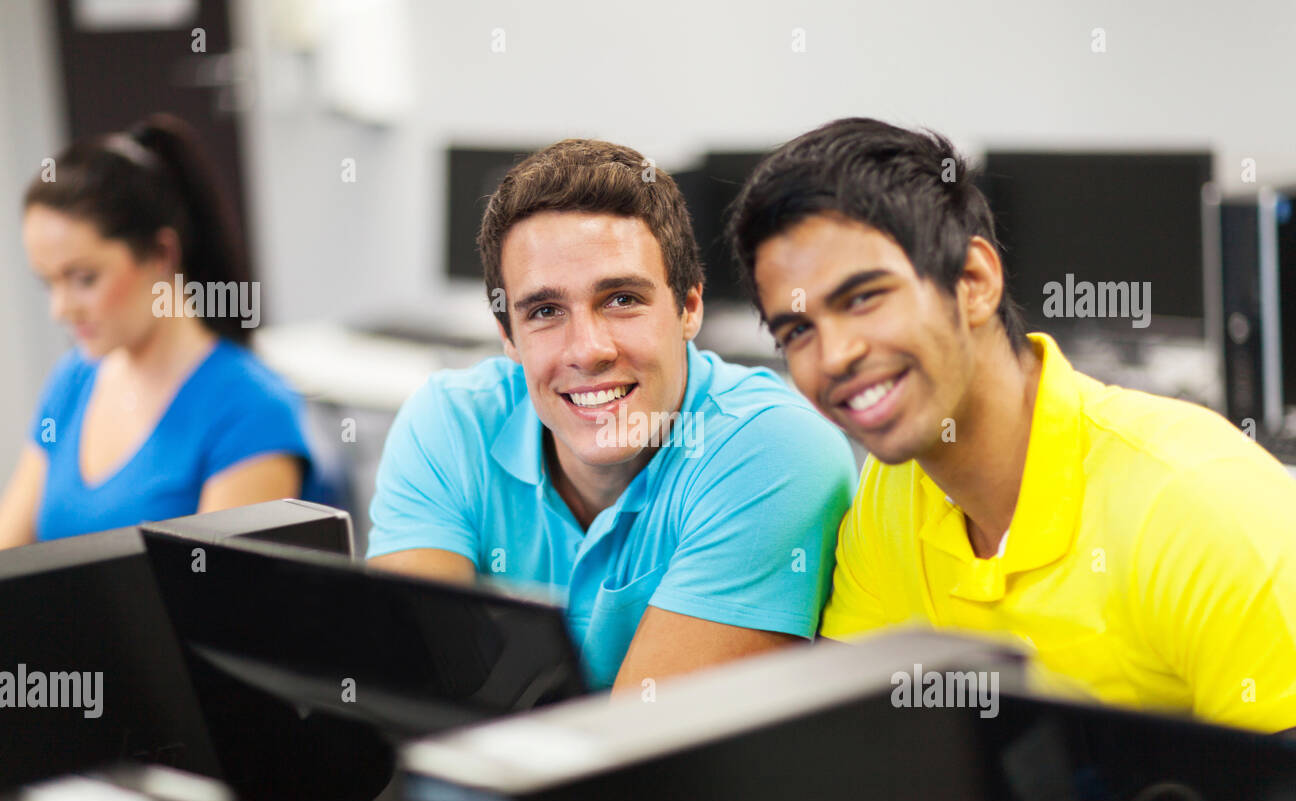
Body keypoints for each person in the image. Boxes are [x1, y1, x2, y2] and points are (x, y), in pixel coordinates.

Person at [726, 117, 1296, 734]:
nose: (835, 356)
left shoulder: (1199, 504)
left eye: (863, 298)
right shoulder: (890, 499)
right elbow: (854, 743)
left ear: (973, 282)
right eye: (798, 330)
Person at [367, 138, 857, 691]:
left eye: (622, 299)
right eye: (545, 311)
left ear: (689, 307)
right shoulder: (451, 422)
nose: (588, 350)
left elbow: (645, 738)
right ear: (508, 335)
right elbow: (408, 689)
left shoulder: (773, 450)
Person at [0, 114, 319, 547]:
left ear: (162, 254)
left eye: (84, 279)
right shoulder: (72, 381)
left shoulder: (251, 408)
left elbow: (217, 587)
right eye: (48, 282)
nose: (60, 309)